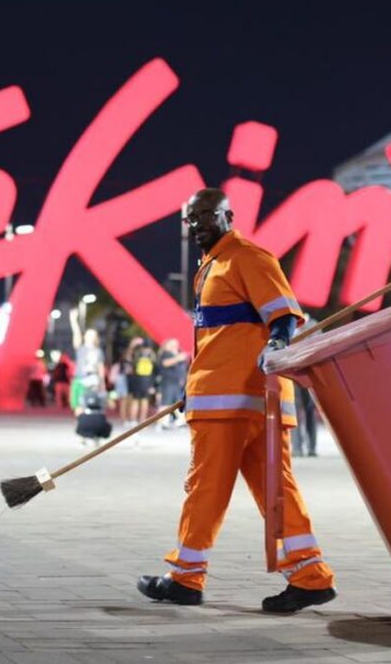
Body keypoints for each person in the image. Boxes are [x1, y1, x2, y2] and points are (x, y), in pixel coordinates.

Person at [137, 187, 335, 613]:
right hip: (241, 398)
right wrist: (193, 387)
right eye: (191, 219)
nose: (197, 226)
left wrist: (277, 341)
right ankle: (310, 576)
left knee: (206, 488)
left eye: (205, 216)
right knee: (276, 491)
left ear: (228, 215)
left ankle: (186, 577)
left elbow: (283, 313)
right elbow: (220, 339)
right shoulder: (214, 265)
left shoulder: (245, 257)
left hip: (233, 400)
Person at [68, 307, 106, 410]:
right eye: (88, 334)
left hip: (92, 380)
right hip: (80, 379)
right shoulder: (80, 348)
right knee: (77, 405)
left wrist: (102, 384)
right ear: (84, 336)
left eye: (92, 335)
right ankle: (80, 419)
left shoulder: (98, 351)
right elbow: (76, 334)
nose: (89, 336)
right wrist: (73, 320)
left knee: (89, 404)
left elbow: (101, 369)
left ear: (95, 337)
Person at [157, 338, 188, 430]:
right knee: (166, 403)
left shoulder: (177, 354)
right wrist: (178, 358)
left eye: (175, 344)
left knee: (177, 402)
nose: (174, 346)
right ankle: (162, 423)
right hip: (168, 382)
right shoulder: (165, 354)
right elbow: (165, 363)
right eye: (172, 344)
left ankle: (181, 421)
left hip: (177, 382)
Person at [127, 337, 157, 426]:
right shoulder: (152, 355)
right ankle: (142, 420)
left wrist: (132, 345)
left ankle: (134, 420)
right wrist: (153, 384)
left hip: (138, 380)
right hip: (146, 380)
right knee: (144, 401)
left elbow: (129, 360)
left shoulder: (137, 353)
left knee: (136, 401)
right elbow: (155, 370)